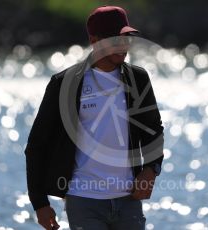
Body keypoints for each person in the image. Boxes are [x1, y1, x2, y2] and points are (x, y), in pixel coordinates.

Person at [25, 5, 164, 230]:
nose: (123, 44)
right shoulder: (64, 84)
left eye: (126, 37)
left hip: (129, 202)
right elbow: (36, 145)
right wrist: (40, 203)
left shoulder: (138, 79)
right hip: (83, 200)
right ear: (94, 39)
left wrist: (150, 170)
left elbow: (154, 130)